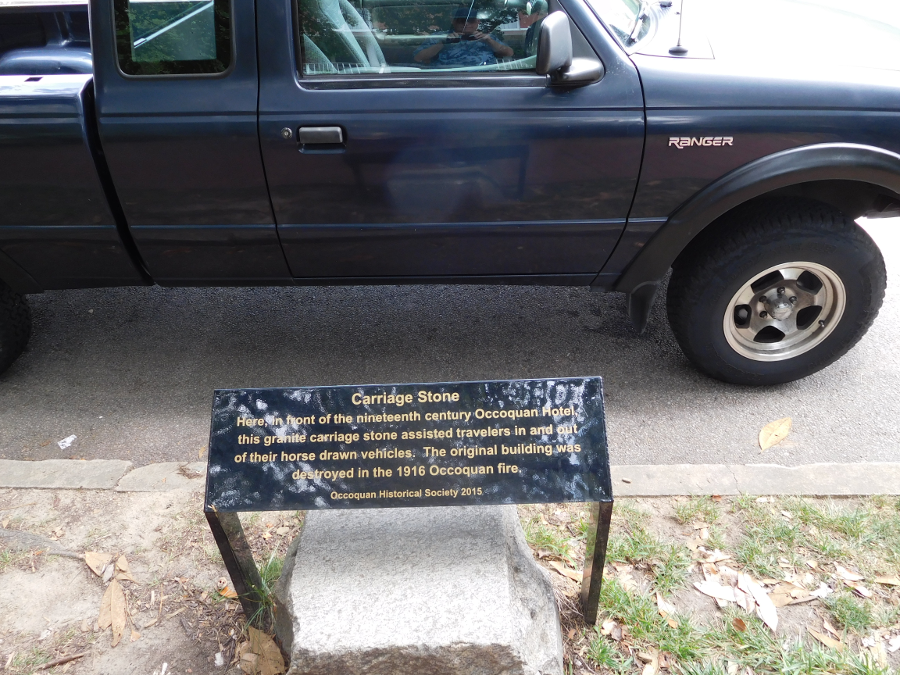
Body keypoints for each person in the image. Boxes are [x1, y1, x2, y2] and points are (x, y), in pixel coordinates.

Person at [413, 6, 513, 68]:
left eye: (471, 20)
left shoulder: (487, 37)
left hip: (485, 78)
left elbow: (509, 53)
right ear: (453, 21)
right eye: (461, 20)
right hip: (446, 79)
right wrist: (442, 43)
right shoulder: (439, 37)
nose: (466, 24)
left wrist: (489, 41)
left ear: (478, 22)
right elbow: (418, 58)